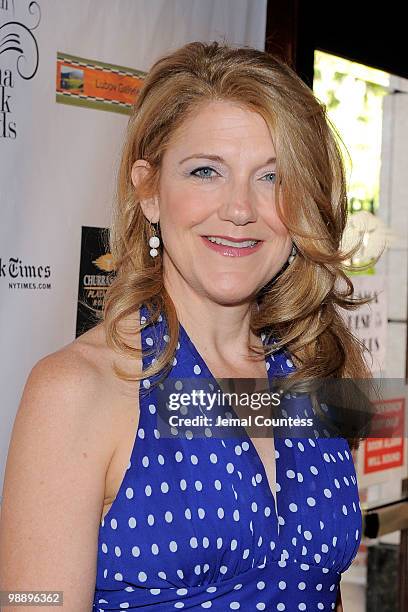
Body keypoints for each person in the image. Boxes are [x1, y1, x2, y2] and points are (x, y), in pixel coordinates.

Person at [0, 40, 375, 611]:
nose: (240, 209)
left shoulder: (318, 366)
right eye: (206, 171)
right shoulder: (77, 390)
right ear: (149, 190)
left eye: (272, 178)